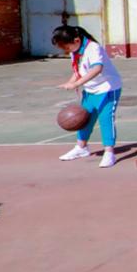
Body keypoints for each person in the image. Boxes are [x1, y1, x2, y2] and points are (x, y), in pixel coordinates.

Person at [52, 23, 124, 167]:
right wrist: (70, 82)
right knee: (84, 119)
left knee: (105, 120)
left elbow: (97, 68)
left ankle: (109, 152)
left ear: (77, 41)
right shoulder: (75, 51)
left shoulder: (93, 48)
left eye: (66, 47)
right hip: (90, 89)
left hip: (108, 88)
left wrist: (77, 84)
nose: (65, 51)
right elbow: (78, 70)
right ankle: (81, 147)